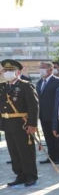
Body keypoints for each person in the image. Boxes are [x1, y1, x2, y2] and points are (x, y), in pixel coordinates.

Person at [1, 59, 39, 187]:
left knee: (25, 150)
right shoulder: (5, 87)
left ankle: (30, 175)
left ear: (18, 72)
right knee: (14, 151)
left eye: (10, 70)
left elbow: (33, 106)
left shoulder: (25, 86)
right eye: (5, 70)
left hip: (22, 123)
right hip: (8, 124)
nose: (7, 73)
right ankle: (20, 174)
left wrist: (32, 124)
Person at [36, 61, 59, 164]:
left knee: (56, 137)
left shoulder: (58, 82)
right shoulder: (39, 82)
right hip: (43, 115)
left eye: (43, 67)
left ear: (51, 69)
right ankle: (51, 156)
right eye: (40, 67)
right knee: (48, 137)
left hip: (55, 115)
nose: (41, 69)